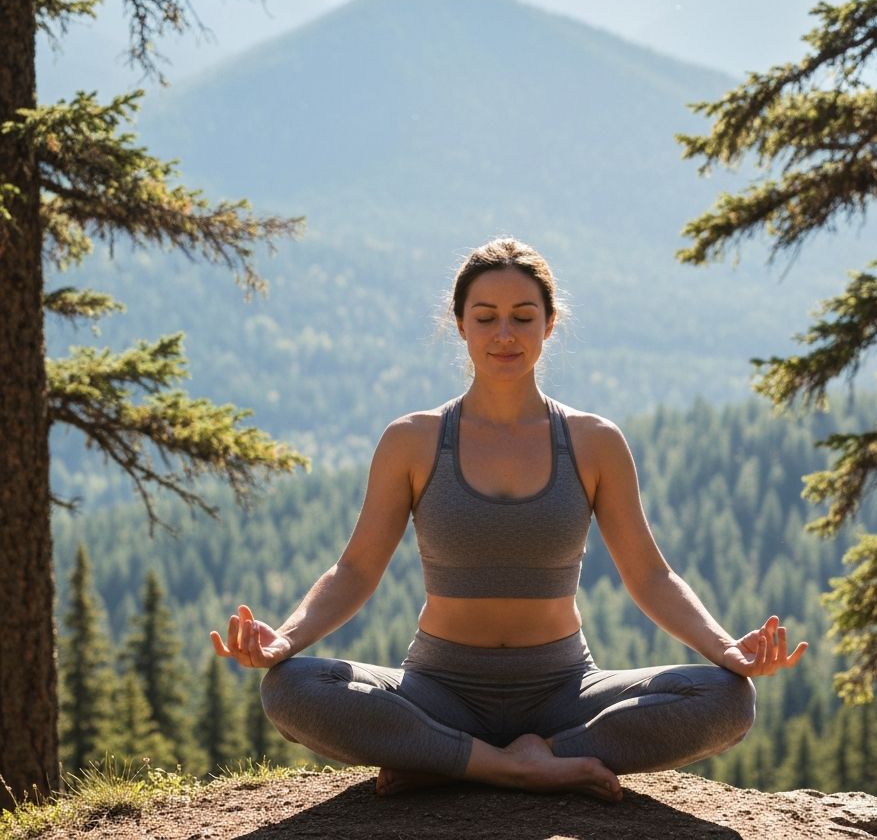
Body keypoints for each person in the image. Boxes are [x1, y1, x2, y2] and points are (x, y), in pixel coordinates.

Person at [211, 237, 808, 802]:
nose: (504, 334)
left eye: (523, 317)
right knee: (290, 687)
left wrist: (727, 649)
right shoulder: (413, 440)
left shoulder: (593, 442)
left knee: (728, 699)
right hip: (437, 689)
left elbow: (651, 576)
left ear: (549, 324)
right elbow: (356, 570)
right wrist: (286, 639)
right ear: (459, 324)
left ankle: (453, 759)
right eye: (486, 317)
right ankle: (518, 766)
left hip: (563, 692)